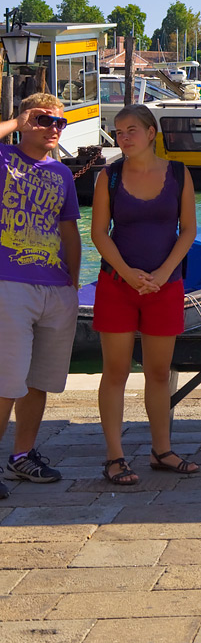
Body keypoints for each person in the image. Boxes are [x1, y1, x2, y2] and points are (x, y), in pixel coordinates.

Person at [90, 104, 200, 485]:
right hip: (118, 286)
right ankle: (114, 457)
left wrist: (162, 273)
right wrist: (130, 275)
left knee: (157, 372)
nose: (123, 137)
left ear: (151, 132)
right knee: (116, 372)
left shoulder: (179, 174)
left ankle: (161, 450)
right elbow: (99, 232)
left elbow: (188, 230)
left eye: (131, 129)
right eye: (118, 131)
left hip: (164, 287)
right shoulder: (109, 177)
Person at [0, 94, 82, 499]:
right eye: (44, 120)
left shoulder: (62, 174)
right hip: (8, 282)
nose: (53, 128)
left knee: (38, 380)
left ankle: (22, 456)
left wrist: (73, 280)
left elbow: (70, 229)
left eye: (59, 123)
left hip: (56, 287)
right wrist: (17, 123)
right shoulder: (3, 158)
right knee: (5, 381)